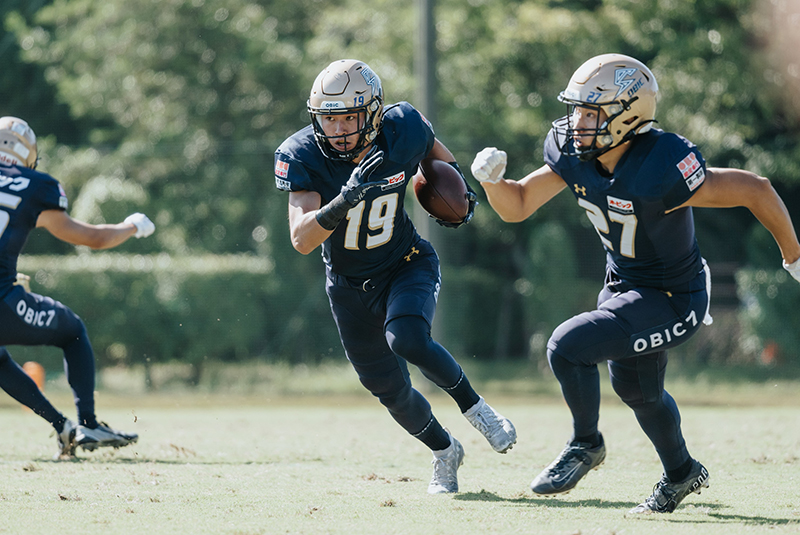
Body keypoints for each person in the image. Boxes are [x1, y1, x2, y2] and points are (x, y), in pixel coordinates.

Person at [470, 53, 800, 513]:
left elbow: (756, 189)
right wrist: (493, 183)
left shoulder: (661, 164)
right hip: (623, 287)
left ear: (628, 115)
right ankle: (682, 473)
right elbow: (520, 203)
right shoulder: (573, 154)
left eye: (591, 113)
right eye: (577, 111)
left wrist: (794, 256)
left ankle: (586, 444)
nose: (577, 123)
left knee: (566, 346)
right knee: (638, 392)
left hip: (673, 297)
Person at [274, 59, 517, 494]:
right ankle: (445, 452)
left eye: (349, 117)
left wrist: (458, 193)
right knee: (387, 388)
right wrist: (344, 199)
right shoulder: (303, 154)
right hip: (348, 286)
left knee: (406, 338)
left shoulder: (402, 127)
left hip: (406, 262)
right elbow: (301, 239)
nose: (338, 130)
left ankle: (477, 409)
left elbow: (439, 158)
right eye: (329, 119)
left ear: (373, 113)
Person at [0, 116, 156, 458]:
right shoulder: (35, 185)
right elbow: (93, 238)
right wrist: (131, 226)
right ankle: (88, 424)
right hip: (2, 302)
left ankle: (63, 427)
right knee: (71, 330)